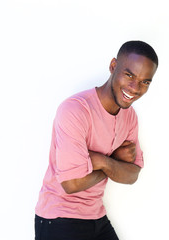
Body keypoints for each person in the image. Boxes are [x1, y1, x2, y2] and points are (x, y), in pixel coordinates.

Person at [34, 40, 158, 240]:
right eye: (129, 75)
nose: (135, 88)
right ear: (112, 66)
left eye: (145, 82)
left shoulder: (130, 117)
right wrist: (115, 163)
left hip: (96, 217)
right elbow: (71, 184)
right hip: (59, 219)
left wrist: (103, 160)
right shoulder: (75, 110)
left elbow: (132, 175)